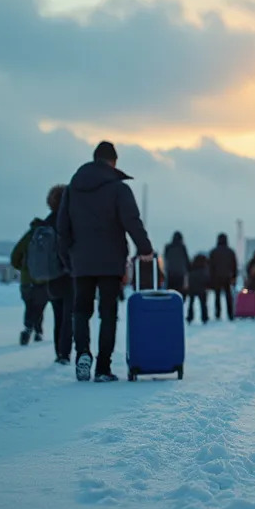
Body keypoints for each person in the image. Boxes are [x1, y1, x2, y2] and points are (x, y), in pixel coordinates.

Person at [58, 141, 154, 383]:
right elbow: (132, 220)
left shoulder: (73, 187)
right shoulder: (117, 188)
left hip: (81, 261)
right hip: (111, 260)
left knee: (80, 310)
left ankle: (82, 354)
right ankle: (102, 367)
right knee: (107, 313)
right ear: (114, 162)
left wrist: (68, 258)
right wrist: (145, 249)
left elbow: (62, 227)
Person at [42, 185, 74, 364]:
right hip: (68, 273)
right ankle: (65, 352)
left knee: (58, 315)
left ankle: (59, 352)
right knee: (69, 315)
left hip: (52, 275)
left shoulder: (47, 221)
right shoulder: (69, 220)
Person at [10, 220, 49, 345]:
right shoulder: (49, 235)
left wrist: (23, 269)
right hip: (43, 279)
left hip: (27, 280)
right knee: (39, 307)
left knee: (29, 305)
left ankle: (28, 327)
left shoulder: (28, 236)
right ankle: (38, 331)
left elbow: (15, 256)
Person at [209, 233, 238, 321]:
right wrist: (234, 276)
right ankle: (230, 314)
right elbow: (234, 265)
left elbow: (211, 266)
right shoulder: (230, 251)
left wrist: (211, 278)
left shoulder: (213, 252)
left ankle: (218, 314)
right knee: (228, 296)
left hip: (216, 277)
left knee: (217, 296)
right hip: (227, 276)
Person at [186, 253, 210, 324]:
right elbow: (207, 279)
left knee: (191, 303)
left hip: (192, 288)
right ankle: (204, 317)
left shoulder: (191, 268)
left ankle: (190, 317)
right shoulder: (204, 269)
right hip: (202, 288)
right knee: (203, 304)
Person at [164, 231, 189, 297]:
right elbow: (186, 261)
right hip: (180, 274)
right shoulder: (182, 247)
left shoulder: (168, 247)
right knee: (180, 294)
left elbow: (165, 259)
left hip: (170, 273)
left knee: (170, 294)